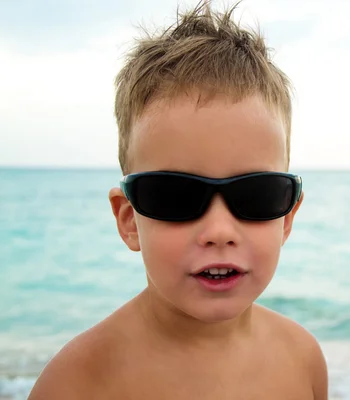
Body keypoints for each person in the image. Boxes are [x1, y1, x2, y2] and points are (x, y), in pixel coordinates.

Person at [28, 1, 328, 399]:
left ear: (287, 218)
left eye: (257, 194)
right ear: (129, 220)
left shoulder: (302, 358)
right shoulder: (78, 384)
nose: (219, 232)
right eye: (175, 196)